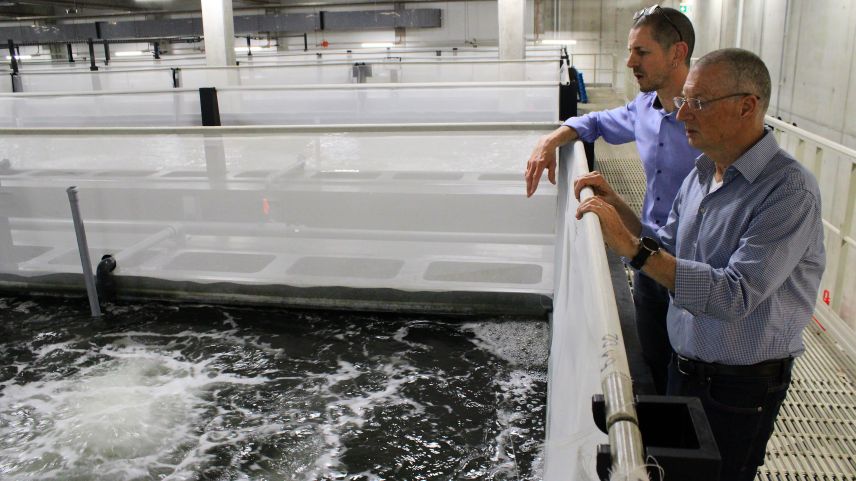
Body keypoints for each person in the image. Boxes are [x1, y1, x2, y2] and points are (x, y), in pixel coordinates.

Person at [576, 48, 826, 481]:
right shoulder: (703, 171)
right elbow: (670, 245)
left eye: (699, 103)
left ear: (747, 106)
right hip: (685, 365)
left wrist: (632, 250)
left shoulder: (788, 192)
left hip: (738, 387)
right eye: (683, 101)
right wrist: (620, 211)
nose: (682, 113)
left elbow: (735, 294)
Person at [525, 5, 698, 394]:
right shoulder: (646, 108)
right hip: (649, 259)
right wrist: (552, 139)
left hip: (695, 273)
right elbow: (598, 122)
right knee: (653, 367)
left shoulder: (707, 122)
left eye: (642, 52)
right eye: (629, 51)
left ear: (677, 52)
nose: (629, 62)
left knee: (691, 381)